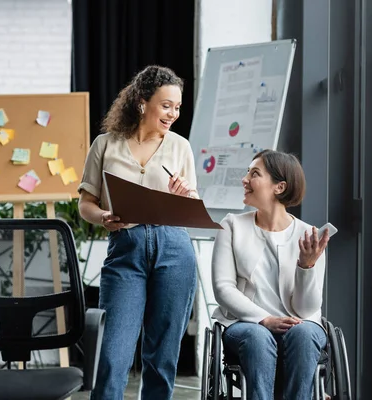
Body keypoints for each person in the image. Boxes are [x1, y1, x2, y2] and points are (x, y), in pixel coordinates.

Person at [77, 65, 198, 400]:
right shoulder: (105, 144)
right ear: (143, 102)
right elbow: (86, 204)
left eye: (177, 107)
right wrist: (103, 216)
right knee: (113, 354)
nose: (173, 113)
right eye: (166, 105)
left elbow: (194, 206)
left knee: (162, 357)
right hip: (125, 251)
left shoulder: (180, 147)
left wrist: (184, 195)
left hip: (174, 249)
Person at [211, 149, 331, 400]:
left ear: (280, 187)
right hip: (244, 325)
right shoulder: (231, 225)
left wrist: (305, 266)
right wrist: (264, 318)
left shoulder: (308, 235)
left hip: (298, 326)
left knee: (305, 332)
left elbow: (307, 309)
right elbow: (223, 289)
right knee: (256, 335)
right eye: (247, 172)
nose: (245, 179)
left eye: (254, 174)